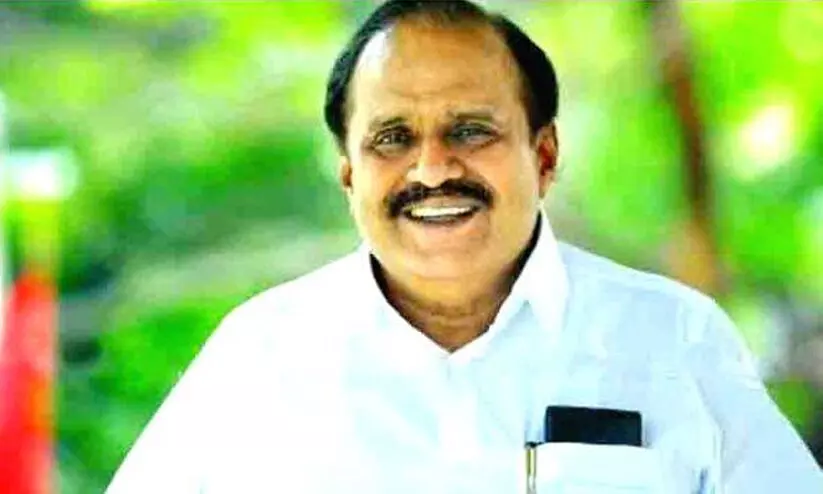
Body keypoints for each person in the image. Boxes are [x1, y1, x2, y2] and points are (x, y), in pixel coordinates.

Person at [105, 1, 823, 492]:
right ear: (350, 176)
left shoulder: (673, 337)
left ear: (544, 155)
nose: (431, 169)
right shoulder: (260, 354)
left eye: (470, 130)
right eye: (392, 138)